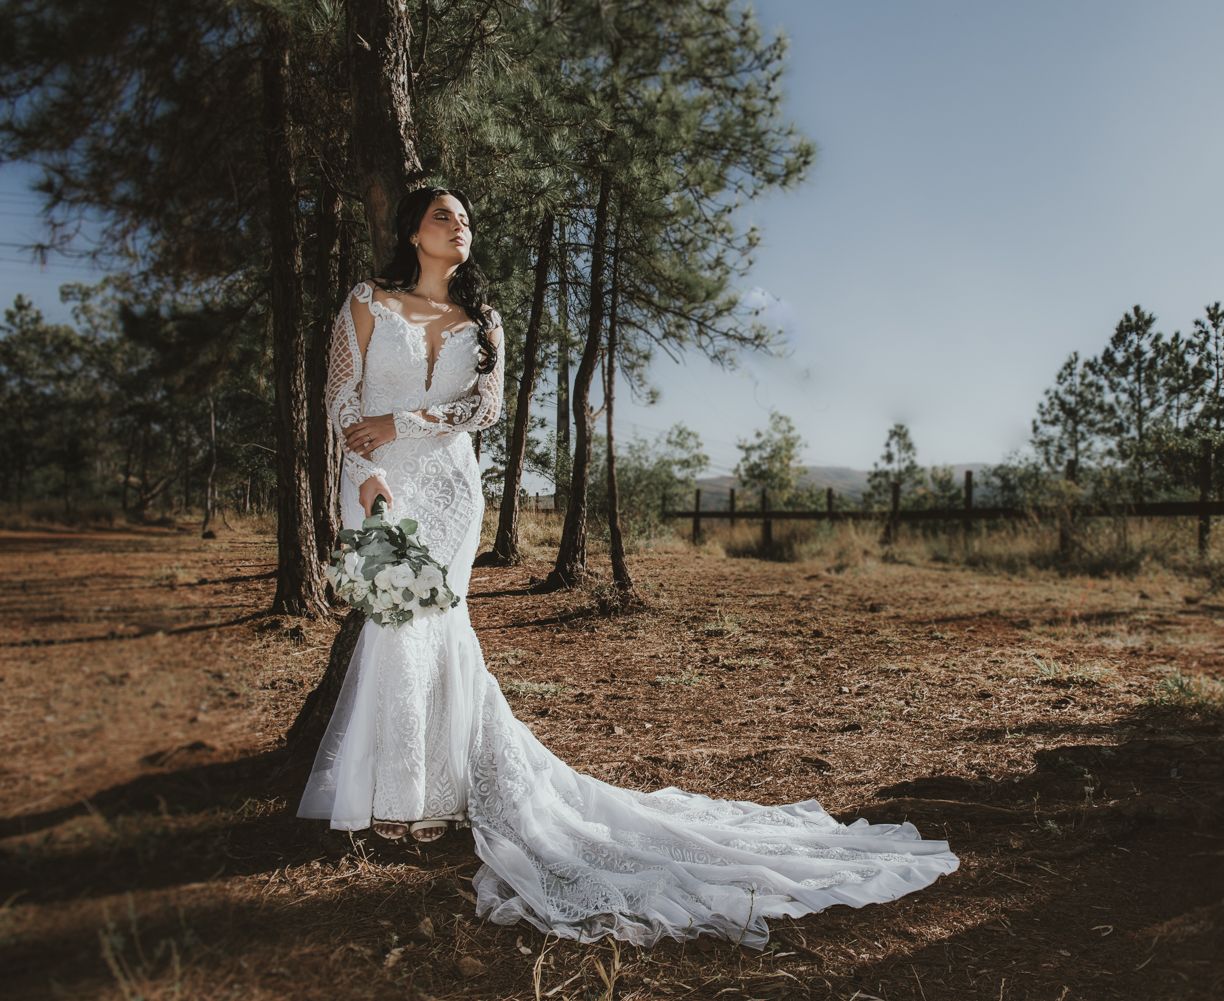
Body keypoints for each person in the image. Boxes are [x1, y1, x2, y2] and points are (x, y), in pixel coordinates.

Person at [296, 186, 959, 948]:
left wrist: (408, 420)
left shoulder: (487, 324)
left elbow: (484, 409)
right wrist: (369, 472)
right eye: (444, 215)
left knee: (433, 626)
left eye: (468, 219)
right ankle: (397, 794)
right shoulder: (367, 302)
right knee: (396, 625)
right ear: (412, 230)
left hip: (449, 486)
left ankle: (426, 798)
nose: (460, 227)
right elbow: (338, 400)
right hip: (378, 479)